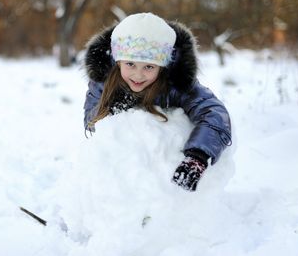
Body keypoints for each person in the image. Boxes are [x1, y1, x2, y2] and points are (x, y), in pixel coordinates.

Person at [83, 12, 232, 192]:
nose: (138, 75)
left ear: (162, 66)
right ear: (118, 61)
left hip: (163, 182)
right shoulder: (103, 83)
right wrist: (120, 108)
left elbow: (214, 113)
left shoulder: (176, 85)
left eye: (149, 66)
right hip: (118, 181)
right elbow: (92, 122)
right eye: (130, 64)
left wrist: (198, 156)